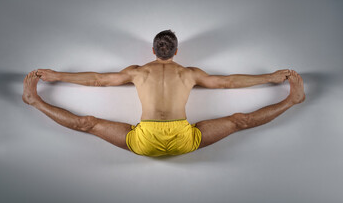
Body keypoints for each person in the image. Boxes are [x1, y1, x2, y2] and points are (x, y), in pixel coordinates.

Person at [22, 29, 305, 157]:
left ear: (153, 51)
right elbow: (228, 83)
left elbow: (99, 80)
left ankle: (35, 101)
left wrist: (57, 75)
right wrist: (270, 76)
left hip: (144, 140)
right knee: (240, 120)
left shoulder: (137, 71)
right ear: (177, 51)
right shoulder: (190, 73)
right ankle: (292, 100)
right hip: (184, 139)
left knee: (87, 124)